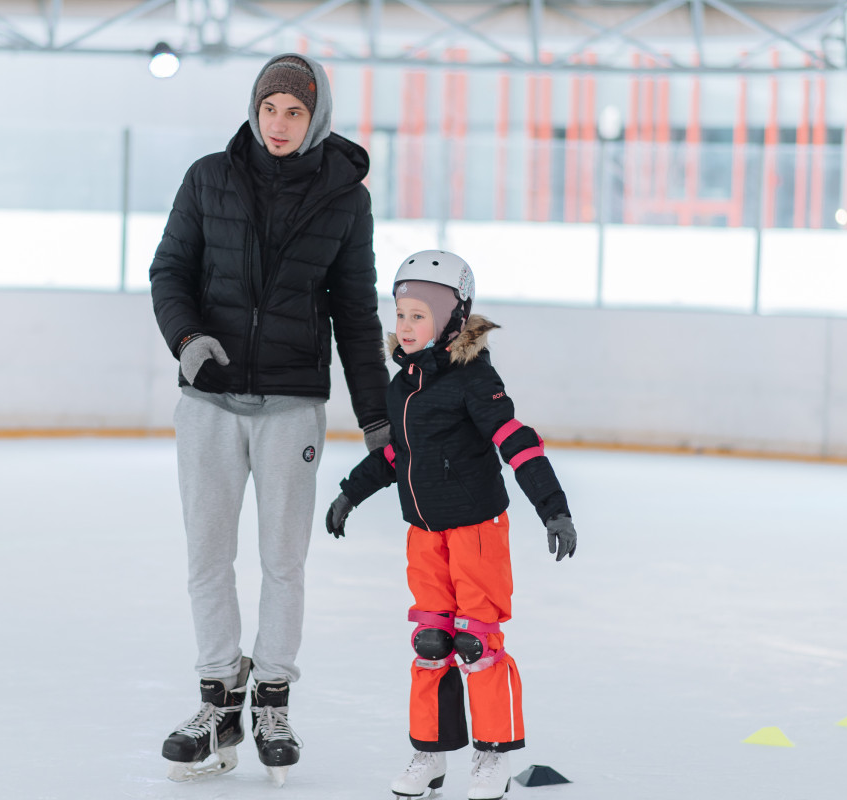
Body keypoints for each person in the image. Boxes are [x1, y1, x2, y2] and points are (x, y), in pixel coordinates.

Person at [150, 53, 390, 785]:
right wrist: (187, 339)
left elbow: (356, 313)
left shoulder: (344, 199)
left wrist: (377, 417)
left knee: (284, 561)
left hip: (291, 405)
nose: (279, 124)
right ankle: (219, 697)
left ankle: (273, 701)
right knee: (207, 556)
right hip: (209, 400)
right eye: (269, 108)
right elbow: (170, 272)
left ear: (316, 118)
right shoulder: (208, 178)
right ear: (254, 110)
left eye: (295, 111)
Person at [324, 250, 579, 800]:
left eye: (419, 316)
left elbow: (515, 440)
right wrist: (350, 493)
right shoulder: (403, 385)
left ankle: (493, 756)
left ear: (452, 320)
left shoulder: (473, 379)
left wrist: (552, 506)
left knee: (475, 642)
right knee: (432, 641)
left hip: (475, 531)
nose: (405, 326)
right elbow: (398, 455)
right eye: (400, 314)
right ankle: (430, 753)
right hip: (424, 533)